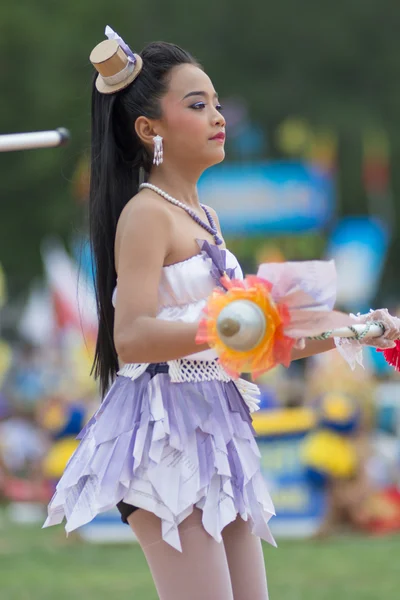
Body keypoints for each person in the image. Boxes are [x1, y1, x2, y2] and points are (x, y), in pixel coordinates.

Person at [43, 27, 400, 600]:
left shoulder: (206, 217)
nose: (218, 115)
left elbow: (261, 341)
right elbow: (130, 337)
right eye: (197, 104)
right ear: (148, 129)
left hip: (218, 431)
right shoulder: (145, 214)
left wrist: (359, 327)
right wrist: (223, 328)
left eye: (215, 102)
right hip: (163, 439)